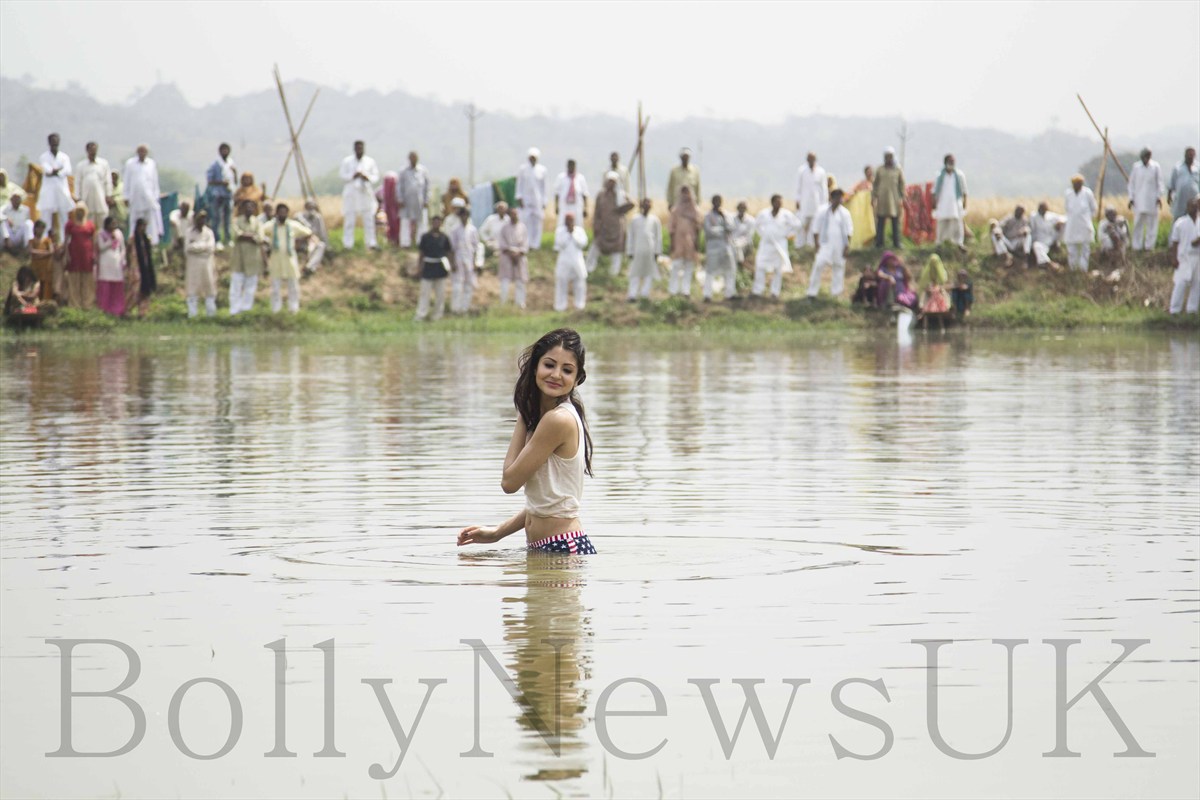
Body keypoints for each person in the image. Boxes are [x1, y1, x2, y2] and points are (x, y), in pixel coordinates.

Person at [457, 328, 597, 556]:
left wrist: (523, 412)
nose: (556, 375)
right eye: (549, 365)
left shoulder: (558, 420)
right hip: (551, 548)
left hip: (562, 547)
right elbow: (546, 503)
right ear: (535, 368)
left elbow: (509, 482)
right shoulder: (548, 419)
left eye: (567, 370)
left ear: (577, 379)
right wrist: (496, 533)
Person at [263, 204, 313, 314]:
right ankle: (276, 309)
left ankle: (293, 308)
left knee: (293, 285)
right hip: (276, 259)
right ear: (276, 213)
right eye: (280, 212)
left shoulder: (292, 225)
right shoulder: (271, 226)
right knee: (275, 286)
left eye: (284, 212)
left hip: (290, 259)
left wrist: (299, 243)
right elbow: (260, 232)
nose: (282, 214)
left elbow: (308, 232)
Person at [807, 188, 853, 299]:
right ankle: (812, 293)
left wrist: (847, 247)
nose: (838, 200)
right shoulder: (822, 211)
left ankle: (836, 293)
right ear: (831, 198)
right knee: (818, 265)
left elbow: (849, 231)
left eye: (840, 197)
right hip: (825, 244)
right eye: (836, 197)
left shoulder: (845, 213)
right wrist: (816, 244)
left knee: (838, 266)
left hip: (840, 245)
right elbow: (816, 228)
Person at [752, 194, 798, 298]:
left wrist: (788, 235)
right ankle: (757, 291)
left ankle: (774, 292)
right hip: (766, 244)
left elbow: (797, 225)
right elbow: (756, 225)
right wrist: (763, 234)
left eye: (780, 202)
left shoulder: (786, 214)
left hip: (780, 244)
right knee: (760, 265)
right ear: (772, 202)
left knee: (778, 268)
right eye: (777, 202)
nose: (779, 204)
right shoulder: (764, 214)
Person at [340, 140, 380, 250]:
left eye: (361, 148)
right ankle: (348, 244)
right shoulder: (347, 161)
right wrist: (353, 175)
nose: (359, 150)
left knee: (368, 219)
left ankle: (371, 243)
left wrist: (365, 176)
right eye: (357, 148)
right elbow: (342, 175)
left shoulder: (370, 161)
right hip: (351, 193)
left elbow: (375, 177)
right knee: (349, 219)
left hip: (365, 193)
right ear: (354, 149)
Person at [589, 174, 633, 275]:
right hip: (603, 227)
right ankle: (589, 270)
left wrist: (624, 202)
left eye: (613, 182)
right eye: (609, 181)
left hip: (617, 228)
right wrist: (596, 226)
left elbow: (631, 204)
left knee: (617, 251)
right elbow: (597, 212)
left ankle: (614, 274)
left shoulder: (620, 195)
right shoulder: (601, 195)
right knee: (596, 247)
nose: (611, 184)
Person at [122, 145, 163, 244]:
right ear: (137, 152)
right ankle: (133, 241)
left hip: (149, 198)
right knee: (135, 220)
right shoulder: (130, 163)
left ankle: (151, 242)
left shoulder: (151, 163)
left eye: (144, 152)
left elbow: (154, 181)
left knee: (149, 221)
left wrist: (156, 196)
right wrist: (126, 196)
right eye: (140, 152)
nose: (142, 154)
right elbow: (126, 180)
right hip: (135, 198)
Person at [37, 133, 74, 242]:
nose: (54, 142)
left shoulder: (64, 157)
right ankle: (44, 242)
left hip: (61, 190)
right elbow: (47, 170)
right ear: (49, 142)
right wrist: (57, 170)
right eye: (52, 140)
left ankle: (65, 242)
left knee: (64, 218)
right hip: (48, 191)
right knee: (45, 218)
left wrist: (56, 171)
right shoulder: (43, 157)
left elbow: (67, 171)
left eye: (56, 140)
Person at [229, 200, 264, 315]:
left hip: (253, 259)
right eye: (247, 207)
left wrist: (245, 235)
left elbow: (260, 238)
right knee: (236, 286)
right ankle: (234, 310)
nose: (249, 209)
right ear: (243, 209)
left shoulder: (258, 223)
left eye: (251, 207)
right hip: (238, 259)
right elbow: (236, 235)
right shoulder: (236, 221)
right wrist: (250, 236)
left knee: (250, 286)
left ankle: (246, 309)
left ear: (254, 209)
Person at [415, 215, 452, 321]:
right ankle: (421, 314)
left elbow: (448, 252)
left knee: (440, 294)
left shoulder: (444, 237)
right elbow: (421, 253)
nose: (436, 224)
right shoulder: (425, 237)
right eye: (435, 222)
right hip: (428, 265)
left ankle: (437, 315)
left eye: (438, 222)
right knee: (424, 293)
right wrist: (419, 267)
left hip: (440, 266)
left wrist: (450, 265)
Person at [1167, 197, 1200, 315]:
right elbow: (1174, 242)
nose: (1194, 207)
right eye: (1192, 205)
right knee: (1181, 283)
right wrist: (1173, 258)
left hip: (1198, 258)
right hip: (1184, 257)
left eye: (1196, 205)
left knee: (1197, 283)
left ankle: (1192, 309)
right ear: (1187, 208)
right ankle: (1175, 309)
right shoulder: (1180, 223)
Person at [667, 186, 701, 297]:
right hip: (678, 242)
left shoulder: (695, 210)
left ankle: (685, 291)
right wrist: (672, 244)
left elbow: (698, 228)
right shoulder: (676, 210)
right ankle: (673, 290)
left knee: (689, 266)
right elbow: (671, 229)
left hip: (690, 242)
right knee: (676, 265)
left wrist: (697, 244)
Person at [625, 198, 662, 302]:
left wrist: (657, 251)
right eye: (644, 204)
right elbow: (630, 236)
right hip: (637, 251)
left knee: (649, 273)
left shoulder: (655, 220)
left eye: (648, 204)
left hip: (650, 251)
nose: (646, 206)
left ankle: (645, 294)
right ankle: (632, 295)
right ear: (641, 206)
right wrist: (630, 251)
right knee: (635, 273)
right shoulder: (635, 219)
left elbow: (658, 237)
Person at [1127, 147, 1163, 250]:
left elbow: (1160, 183)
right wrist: (1131, 198)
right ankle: (1136, 246)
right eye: (1144, 156)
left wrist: (1158, 197)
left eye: (1148, 156)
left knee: (1152, 225)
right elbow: (1131, 184)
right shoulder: (1136, 167)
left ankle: (1149, 246)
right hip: (1139, 200)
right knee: (1138, 224)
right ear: (1141, 157)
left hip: (1152, 201)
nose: (1146, 158)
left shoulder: (1155, 167)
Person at [184, 210, 218, 318]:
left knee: (210, 288)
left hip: (207, 263)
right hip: (193, 264)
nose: (202, 220)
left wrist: (197, 246)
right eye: (199, 218)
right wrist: (203, 246)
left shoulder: (209, 232)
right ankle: (192, 315)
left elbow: (211, 248)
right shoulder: (189, 232)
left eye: (204, 218)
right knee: (192, 288)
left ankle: (211, 314)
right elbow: (188, 248)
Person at [703, 195, 736, 301]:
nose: (717, 203)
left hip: (726, 247)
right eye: (715, 201)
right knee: (710, 271)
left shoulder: (726, 215)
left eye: (719, 201)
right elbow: (709, 231)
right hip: (713, 247)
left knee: (729, 270)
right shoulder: (708, 216)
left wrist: (723, 222)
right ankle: (707, 295)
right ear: (712, 202)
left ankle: (729, 294)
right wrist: (723, 230)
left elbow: (731, 228)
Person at [554, 213, 589, 311]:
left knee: (580, 283)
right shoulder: (560, 231)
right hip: (564, 260)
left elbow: (583, 243)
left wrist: (573, 233)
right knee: (561, 282)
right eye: (567, 220)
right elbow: (560, 244)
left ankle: (580, 305)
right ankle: (560, 306)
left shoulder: (579, 230)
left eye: (571, 220)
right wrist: (568, 233)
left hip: (577, 260)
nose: (569, 222)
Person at [63, 205, 96, 309]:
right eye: (78, 211)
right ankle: (74, 304)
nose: (80, 213)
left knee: (87, 279)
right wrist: (66, 254)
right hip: (74, 253)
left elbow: (94, 240)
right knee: (74, 279)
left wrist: (94, 254)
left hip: (87, 254)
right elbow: (66, 240)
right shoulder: (70, 224)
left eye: (82, 211)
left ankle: (87, 303)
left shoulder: (90, 224)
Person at [205, 143, 237, 248]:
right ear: (219, 151)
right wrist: (221, 183)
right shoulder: (215, 164)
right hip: (217, 194)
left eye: (226, 150)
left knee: (227, 218)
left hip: (228, 194)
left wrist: (235, 173)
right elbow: (209, 180)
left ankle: (228, 239)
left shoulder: (231, 164)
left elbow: (235, 181)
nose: (225, 152)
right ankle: (216, 239)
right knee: (216, 217)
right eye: (223, 150)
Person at [872, 147, 905, 248]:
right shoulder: (880, 169)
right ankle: (879, 243)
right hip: (882, 199)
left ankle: (896, 243)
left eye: (890, 157)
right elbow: (875, 184)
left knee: (895, 221)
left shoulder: (898, 170)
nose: (888, 159)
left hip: (894, 199)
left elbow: (901, 184)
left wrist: (902, 196)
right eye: (887, 157)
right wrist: (874, 196)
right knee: (881, 221)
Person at [450, 204, 480, 314]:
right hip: (458, 258)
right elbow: (452, 249)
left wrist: (476, 262)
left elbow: (476, 247)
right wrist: (452, 263)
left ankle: (465, 307)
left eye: (466, 215)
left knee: (469, 284)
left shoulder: (472, 230)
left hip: (470, 259)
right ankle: (455, 308)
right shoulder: (454, 230)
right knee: (457, 284)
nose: (464, 217)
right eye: (462, 215)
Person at [497, 206, 530, 309]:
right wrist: (511, 253)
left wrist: (518, 253)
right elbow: (502, 244)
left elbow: (525, 244)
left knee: (520, 282)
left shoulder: (522, 227)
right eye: (512, 214)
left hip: (519, 258)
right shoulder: (504, 228)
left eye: (516, 214)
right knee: (505, 282)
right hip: (507, 257)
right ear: (509, 215)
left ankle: (520, 304)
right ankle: (504, 304)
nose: (514, 216)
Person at [933, 154, 968, 248]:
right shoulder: (939, 175)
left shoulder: (959, 175)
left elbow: (964, 191)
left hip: (956, 204)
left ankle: (958, 243)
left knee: (957, 224)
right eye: (950, 161)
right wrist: (934, 203)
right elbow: (935, 191)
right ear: (945, 163)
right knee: (942, 224)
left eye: (953, 162)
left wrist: (965, 203)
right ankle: (940, 243)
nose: (951, 163)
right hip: (943, 203)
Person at [794, 152, 828, 247]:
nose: (811, 161)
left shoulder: (821, 171)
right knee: (802, 224)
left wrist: (824, 203)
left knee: (815, 225)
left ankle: (811, 246)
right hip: (804, 203)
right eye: (809, 159)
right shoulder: (801, 171)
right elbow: (798, 187)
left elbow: (823, 189)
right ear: (807, 159)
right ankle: (799, 245)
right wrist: (797, 200)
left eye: (813, 159)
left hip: (817, 204)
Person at [1064, 174, 1098, 271]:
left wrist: (1087, 218)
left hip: (1084, 224)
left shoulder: (1087, 193)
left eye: (1079, 183)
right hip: (1072, 225)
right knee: (1071, 249)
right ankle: (1073, 269)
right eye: (1075, 183)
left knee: (1085, 249)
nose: (1077, 185)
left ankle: (1083, 269)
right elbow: (1066, 208)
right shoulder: (1068, 194)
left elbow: (1093, 209)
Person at [516, 147, 548, 249]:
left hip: (537, 200)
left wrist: (544, 201)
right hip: (526, 199)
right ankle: (526, 243)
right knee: (525, 221)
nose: (532, 159)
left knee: (537, 222)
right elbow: (519, 184)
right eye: (531, 157)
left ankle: (535, 244)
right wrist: (519, 197)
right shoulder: (523, 169)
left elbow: (544, 187)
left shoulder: (542, 170)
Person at [95, 216, 127, 317]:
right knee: (105, 285)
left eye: (115, 224)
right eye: (111, 224)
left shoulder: (118, 233)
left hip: (116, 263)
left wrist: (122, 259)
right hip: (105, 262)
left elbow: (122, 248)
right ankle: (104, 308)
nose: (113, 226)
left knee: (116, 285)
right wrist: (110, 241)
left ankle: (117, 309)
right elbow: (101, 247)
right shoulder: (101, 233)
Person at [75, 142, 113, 222]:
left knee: (102, 216)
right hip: (86, 197)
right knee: (88, 217)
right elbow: (77, 182)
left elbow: (108, 180)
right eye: (91, 150)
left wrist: (109, 195)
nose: (93, 152)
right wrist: (78, 197)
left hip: (100, 196)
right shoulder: (81, 165)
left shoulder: (103, 163)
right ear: (87, 150)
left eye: (94, 150)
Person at [398, 151, 430, 246]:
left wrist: (426, 200)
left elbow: (427, 187)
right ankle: (405, 243)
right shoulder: (403, 171)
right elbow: (399, 186)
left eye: (414, 157)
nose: (413, 159)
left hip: (420, 201)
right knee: (405, 221)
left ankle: (421, 242)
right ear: (409, 159)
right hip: (406, 200)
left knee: (422, 222)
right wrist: (400, 199)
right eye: (411, 158)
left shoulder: (423, 171)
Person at [130, 217, 155, 318]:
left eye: (145, 226)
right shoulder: (132, 239)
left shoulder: (146, 238)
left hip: (145, 266)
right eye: (142, 226)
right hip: (136, 266)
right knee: (135, 289)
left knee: (145, 289)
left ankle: (142, 312)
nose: (144, 228)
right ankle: (129, 310)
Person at [917, 253, 951, 322]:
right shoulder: (925, 274)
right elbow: (923, 286)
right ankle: (922, 312)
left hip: (939, 295)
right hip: (928, 296)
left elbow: (944, 284)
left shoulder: (943, 273)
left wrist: (938, 289)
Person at [1030, 201, 1065, 269]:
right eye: (1040, 209)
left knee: (1064, 226)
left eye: (1044, 209)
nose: (1042, 211)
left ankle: (1058, 244)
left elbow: (1065, 218)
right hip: (1041, 240)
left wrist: (1060, 222)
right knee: (1037, 246)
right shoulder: (1034, 216)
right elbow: (1032, 229)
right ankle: (1048, 263)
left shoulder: (1051, 216)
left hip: (1051, 238)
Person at [1167, 147, 1199, 222]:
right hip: (1181, 199)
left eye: (1192, 154)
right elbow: (1172, 182)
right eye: (1189, 154)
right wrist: (1169, 195)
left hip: (1194, 200)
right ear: (1185, 155)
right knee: (1178, 219)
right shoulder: (1178, 167)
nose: (1190, 156)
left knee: (1195, 220)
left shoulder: (1198, 167)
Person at [555, 159, 589, 227]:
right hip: (565, 205)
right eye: (569, 165)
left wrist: (585, 208)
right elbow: (557, 193)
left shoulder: (580, 178)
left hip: (577, 205)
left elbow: (585, 194)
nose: (571, 167)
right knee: (562, 224)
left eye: (572, 165)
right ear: (567, 166)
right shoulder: (561, 177)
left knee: (578, 224)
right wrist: (556, 206)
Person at [298, 200, 328, 273]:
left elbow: (322, 232)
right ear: (305, 207)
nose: (311, 209)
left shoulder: (318, 217)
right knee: (310, 248)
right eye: (309, 207)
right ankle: (311, 268)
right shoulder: (299, 216)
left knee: (321, 245)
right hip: (301, 242)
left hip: (314, 241)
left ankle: (309, 267)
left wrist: (327, 245)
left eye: (312, 207)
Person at [28, 221, 55, 302]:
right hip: (35, 266)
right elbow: (31, 251)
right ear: (35, 229)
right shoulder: (31, 241)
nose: (40, 230)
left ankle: (45, 302)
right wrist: (44, 253)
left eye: (42, 228)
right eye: (39, 228)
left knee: (45, 284)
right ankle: (35, 301)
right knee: (35, 284)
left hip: (45, 267)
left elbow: (51, 251)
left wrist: (39, 254)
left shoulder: (47, 240)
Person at [730, 200, 755, 268]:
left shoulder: (751, 220)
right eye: (740, 208)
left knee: (738, 248)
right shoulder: (731, 218)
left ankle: (741, 263)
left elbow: (749, 236)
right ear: (737, 208)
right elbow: (729, 232)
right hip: (732, 242)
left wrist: (739, 242)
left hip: (745, 243)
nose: (742, 210)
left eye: (743, 208)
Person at [379, 170, 401, 246]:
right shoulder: (382, 189)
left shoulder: (398, 188)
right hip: (387, 210)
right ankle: (391, 240)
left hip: (397, 210)